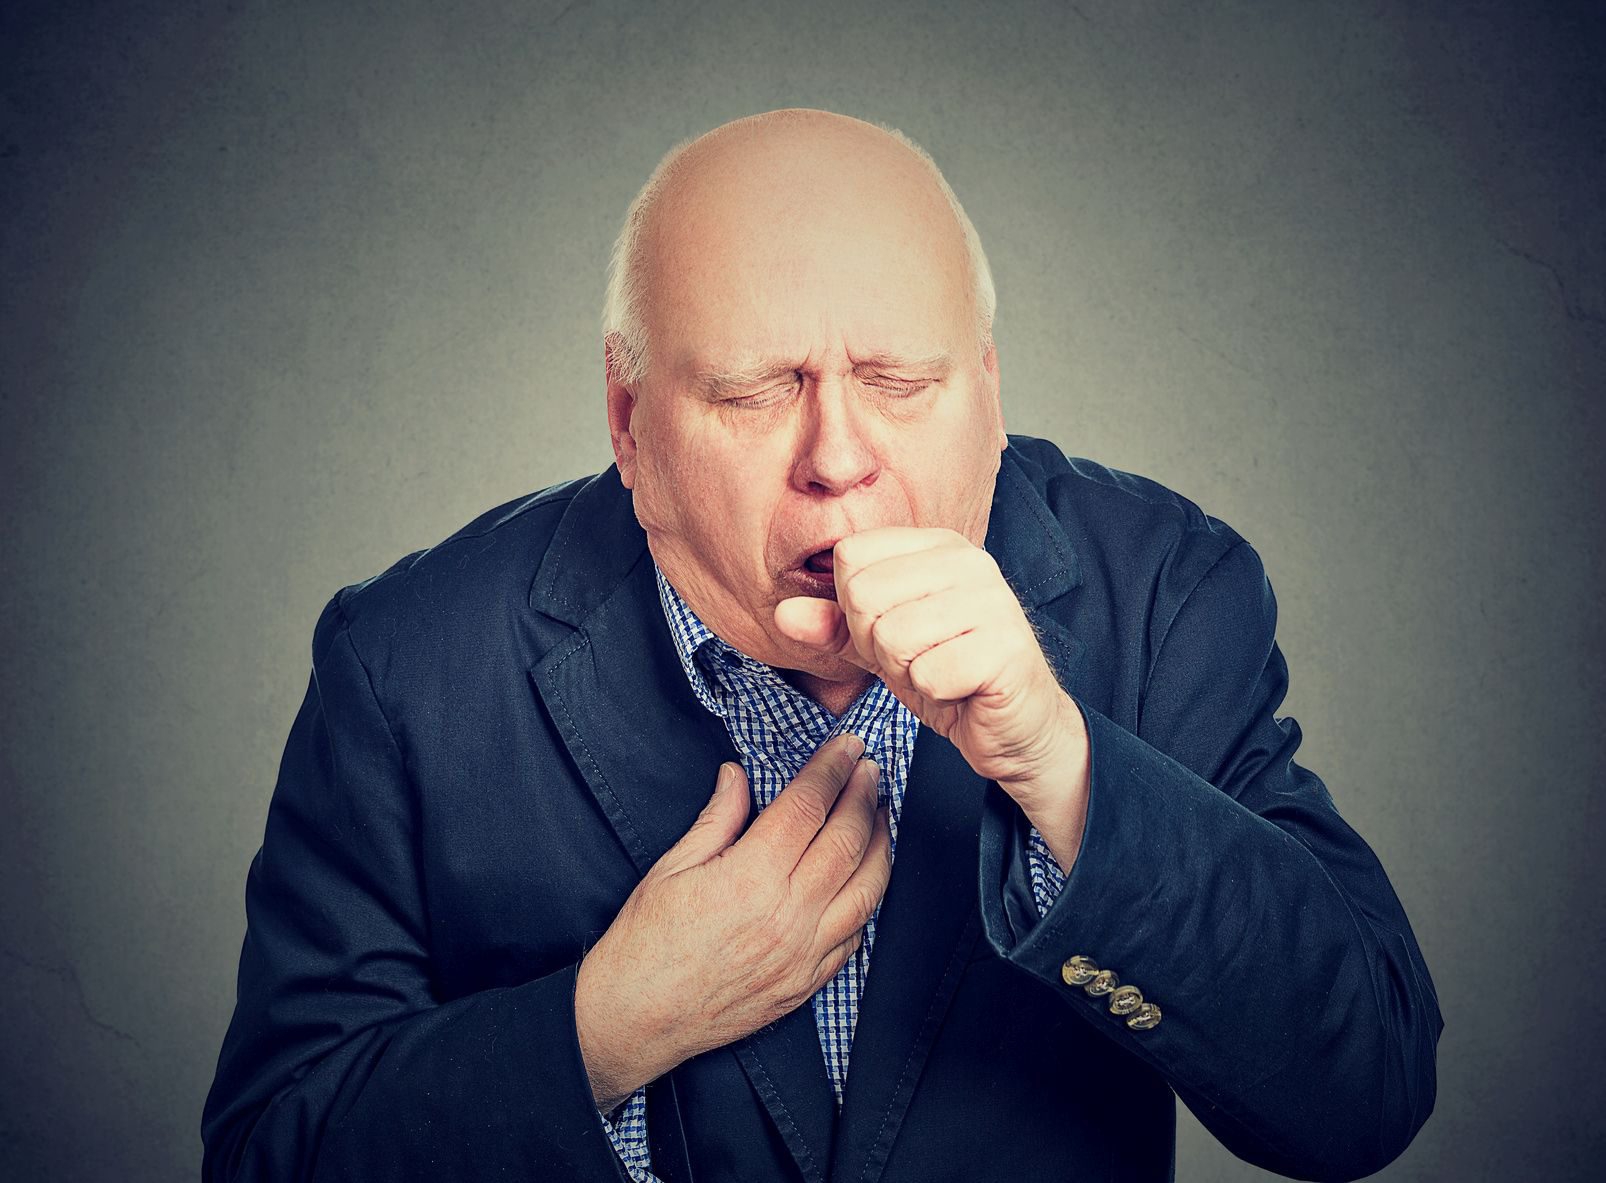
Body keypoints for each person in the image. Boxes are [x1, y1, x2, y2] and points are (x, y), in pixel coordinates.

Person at [201, 108, 1443, 1182]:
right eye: (753, 391)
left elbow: (1365, 1087)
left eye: (900, 382)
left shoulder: (1165, 593)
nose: (838, 459)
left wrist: (1064, 767)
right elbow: (271, 1152)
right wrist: (608, 1024)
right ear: (630, 422)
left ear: (992, 393)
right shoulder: (408, 665)